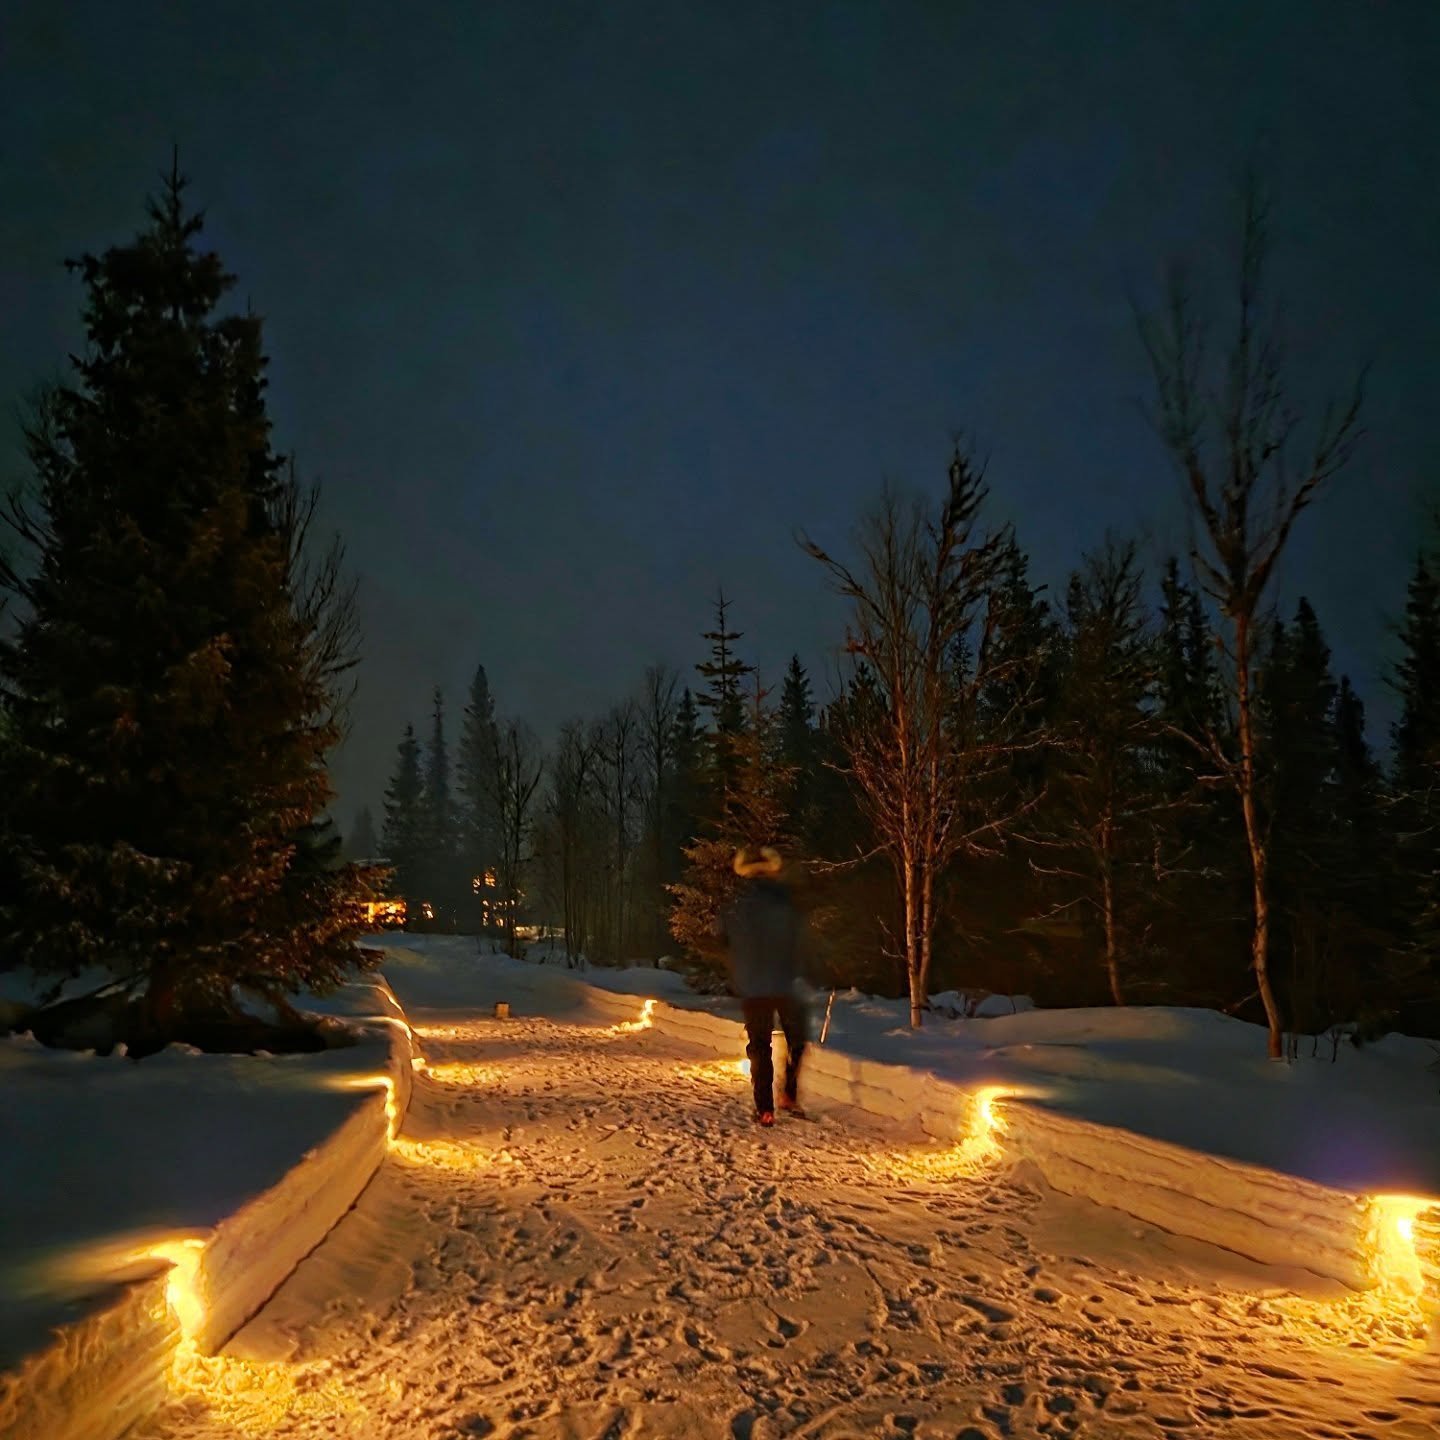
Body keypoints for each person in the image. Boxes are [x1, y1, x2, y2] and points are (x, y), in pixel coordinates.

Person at [715, 845, 808, 1127]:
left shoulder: (735, 906)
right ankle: (789, 1093)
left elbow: (720, 937)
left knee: (759, 1046)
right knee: (798, 1040)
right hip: (783, 984)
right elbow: (799, 942)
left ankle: (765, 1108)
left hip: (753, 987)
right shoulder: (787, 903)